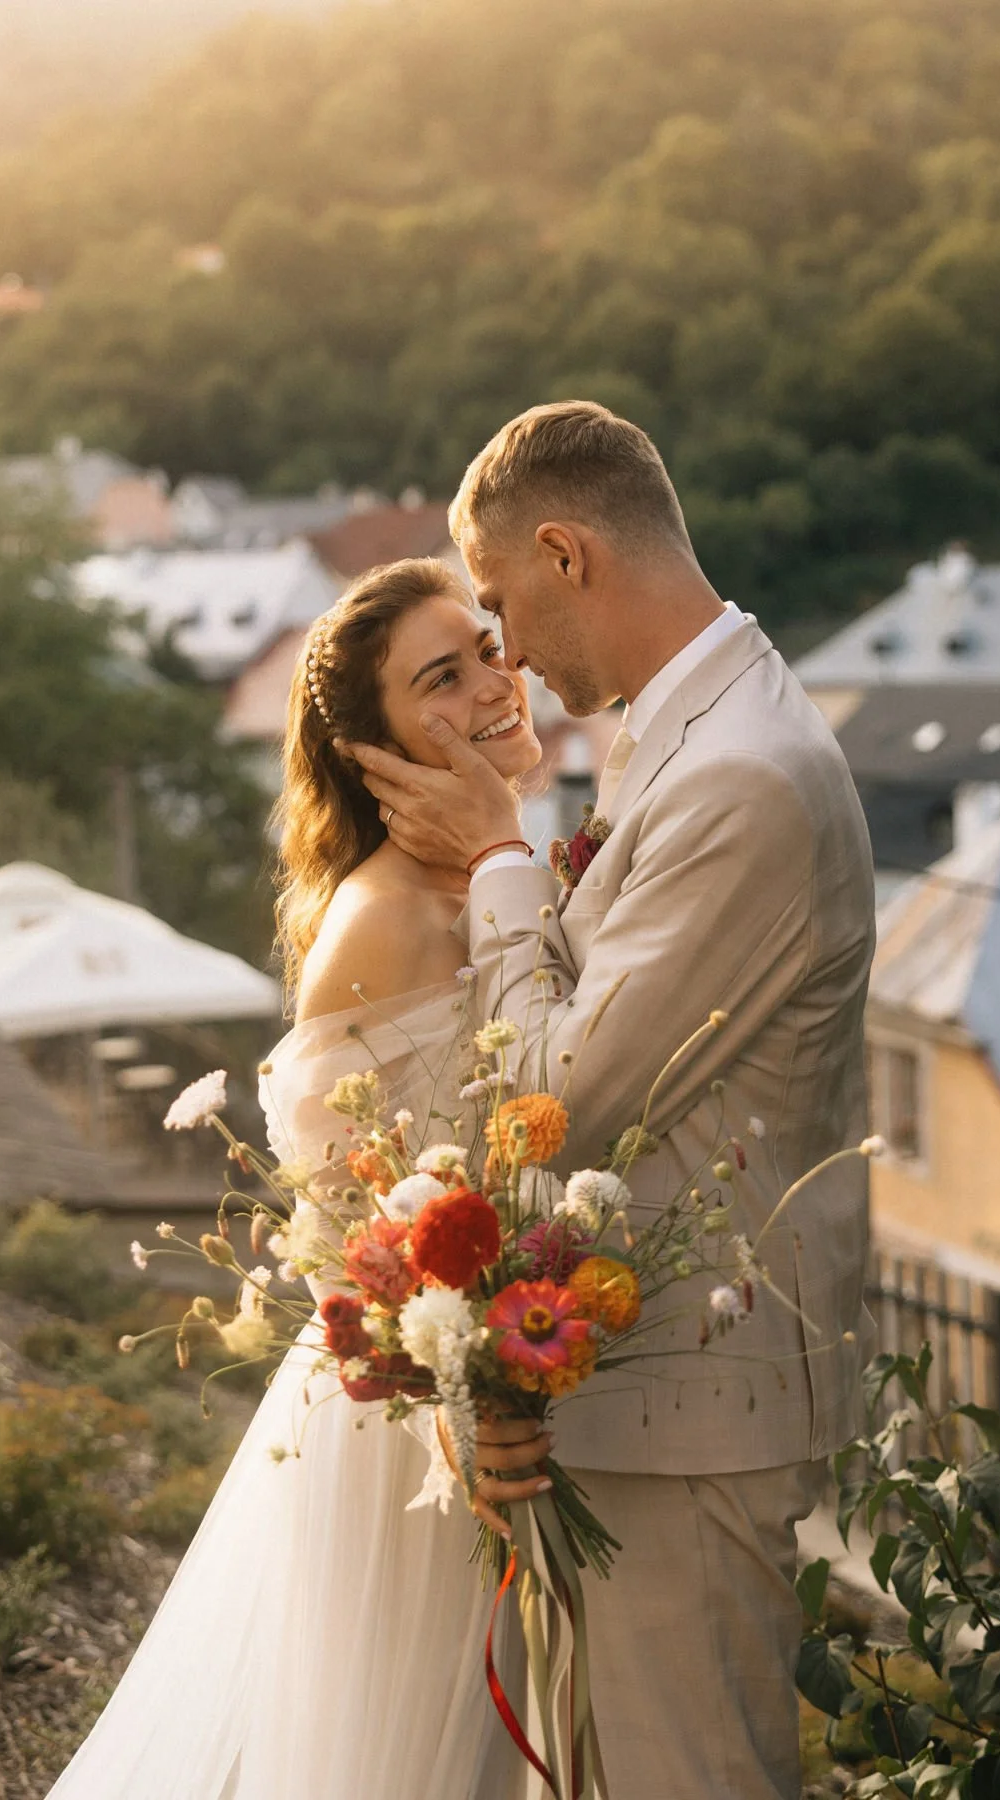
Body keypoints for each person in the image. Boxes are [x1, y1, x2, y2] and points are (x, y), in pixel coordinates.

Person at [343, 400, 878, 1800]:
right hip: (623, 1401)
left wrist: (498, 860)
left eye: (501, 604)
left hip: (689, 1418)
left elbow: (555, 1099)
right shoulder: (688, 730)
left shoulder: (742, 776)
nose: (507, 654)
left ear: (566, 555)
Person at [43, 558, 542, 1800]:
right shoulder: (387, 919)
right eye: (443, 678)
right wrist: (460, 1405)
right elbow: (340, 1225)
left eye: (487, 649)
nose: (494, 684)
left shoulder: (499, 872)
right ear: (375, 756)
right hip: (423, 1431)